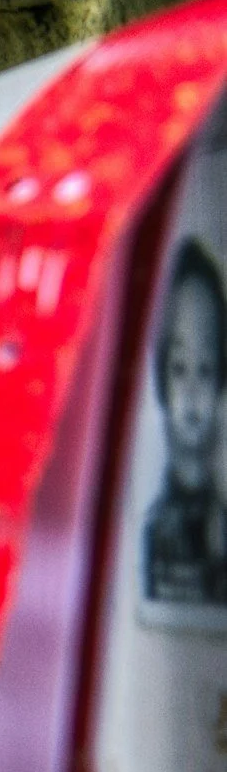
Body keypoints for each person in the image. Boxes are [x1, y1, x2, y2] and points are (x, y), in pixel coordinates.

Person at [146, 238, 227, 608]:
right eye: (179, 369)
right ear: (162, 377)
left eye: (205, 369)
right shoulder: (153, 531)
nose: (193, 392)